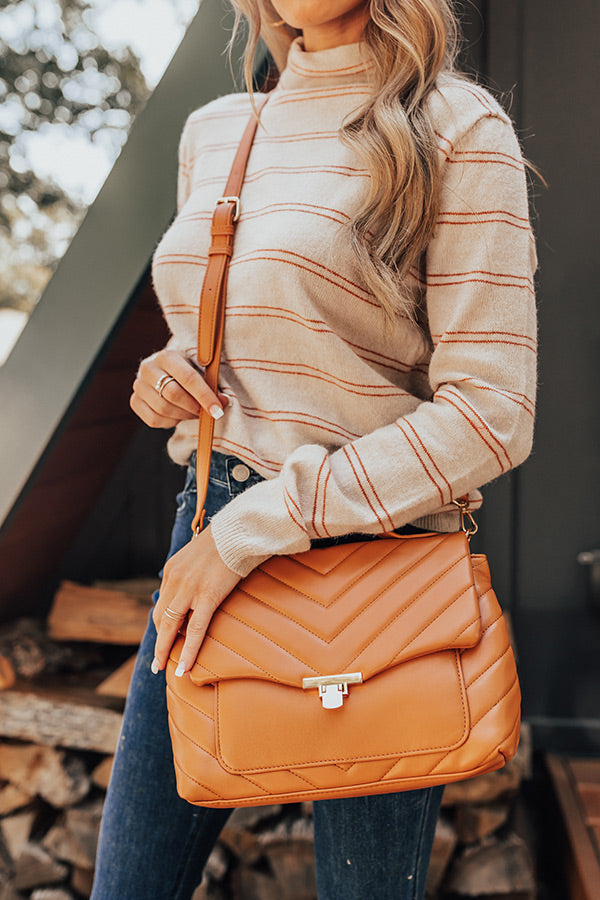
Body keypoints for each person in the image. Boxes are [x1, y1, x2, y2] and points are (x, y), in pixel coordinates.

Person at [91, 1, 537, 898]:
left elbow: (493, 413)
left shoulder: (458, 126)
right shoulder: (217, 131)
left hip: (372, 562)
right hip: (208, 536)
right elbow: (224, 341)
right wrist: (168, 374)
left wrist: (262, 525)